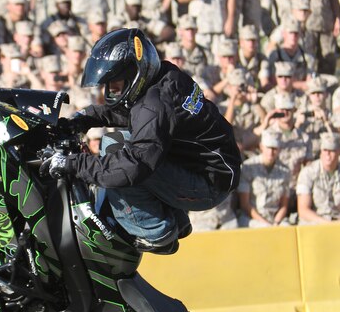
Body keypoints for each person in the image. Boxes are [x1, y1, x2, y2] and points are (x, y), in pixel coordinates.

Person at [42, 28, 241, 253]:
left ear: (136, 75)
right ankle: (176, 220)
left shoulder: (155, 104)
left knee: (117, 155)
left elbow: (134, 165)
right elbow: (136, 114)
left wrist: (72, 164)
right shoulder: (165, 78)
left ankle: (155, 232)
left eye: (116, 84)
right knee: (115, 142)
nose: (111, 91)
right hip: (207, 169)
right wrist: (84, 118)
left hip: (208, 185)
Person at [296, 133, 340, 224]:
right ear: (321, 152)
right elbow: (303, 210)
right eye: (325, 150)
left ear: (339, 152)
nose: (328, 154)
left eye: (332, 150)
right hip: (315, 222)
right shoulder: (307, 173)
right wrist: (326, 224)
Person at [238, 131, 290, 227]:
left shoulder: (285, 171)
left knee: (287, 228)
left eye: (274, 148)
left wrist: (276, 222)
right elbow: (245, 205)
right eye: (268, 148)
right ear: (261, 146)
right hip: (252, 218)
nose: (271, 152)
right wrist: (266, 224)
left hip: (274, 219)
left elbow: (284, 205)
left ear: (279, 149)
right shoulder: (248, 167)